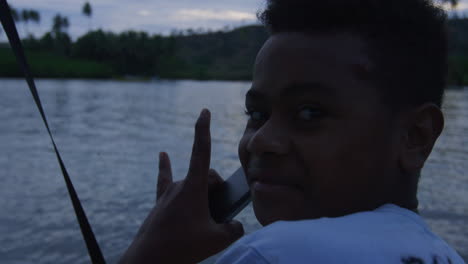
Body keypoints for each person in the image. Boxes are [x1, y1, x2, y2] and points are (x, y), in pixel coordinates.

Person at [119, 0, 466, 263]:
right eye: (257, 113)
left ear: (416, 136)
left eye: (309, 113)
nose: (260, 140)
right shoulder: (444, 254)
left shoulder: (276, 253)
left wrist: (150, 253)